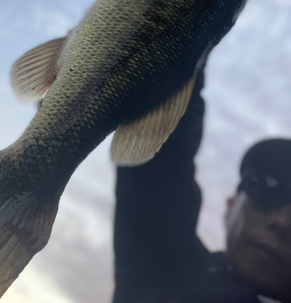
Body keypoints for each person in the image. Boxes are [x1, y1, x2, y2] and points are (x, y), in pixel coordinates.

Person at [113, 69, 291, 303]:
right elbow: (160, 166)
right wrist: (186, 56)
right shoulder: (163, 268)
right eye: (267, 188)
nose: (283, 223)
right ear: (230, 207)